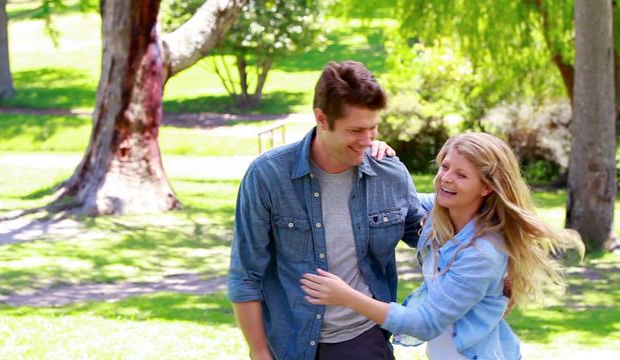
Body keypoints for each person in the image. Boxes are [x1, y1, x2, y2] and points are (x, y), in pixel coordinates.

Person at [301, 132, 585, 360]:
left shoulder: (482, 254)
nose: (446, 178)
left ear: (486, 187)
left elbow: (424, 323)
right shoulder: (442, 212)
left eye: (462, 175)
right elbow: (403, 202)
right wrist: (381, 156)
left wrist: (346, 296)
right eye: (445, 167)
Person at [227, 60, 426, 360]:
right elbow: (245, 275)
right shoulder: (268, 176)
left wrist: (496, 268)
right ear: (322, 118)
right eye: (356, 130)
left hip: (365, 341)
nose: (367, 141)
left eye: (373, 129)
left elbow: (430, 236)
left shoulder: (389, 172)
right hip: (290, 345)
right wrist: (259, 353)